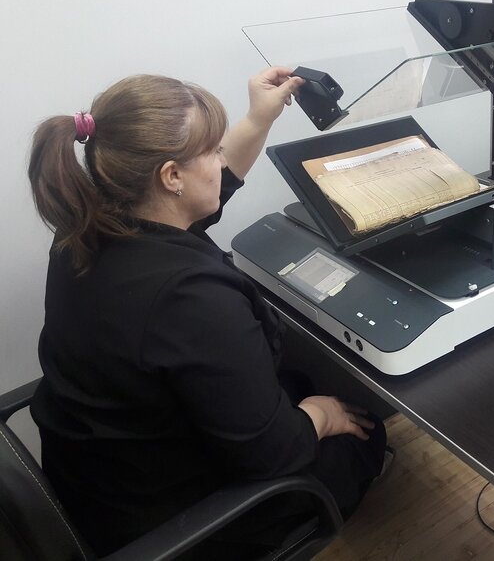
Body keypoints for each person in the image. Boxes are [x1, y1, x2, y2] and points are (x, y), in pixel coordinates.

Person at [27, 68, 387, 557]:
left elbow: (214, 189)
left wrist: (259, 119)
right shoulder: (189, 300)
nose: (222, 161)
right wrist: (322, 416)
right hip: (175, 521)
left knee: (299, 384)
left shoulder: (87, 227)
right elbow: (275, 454)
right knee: (362, 432)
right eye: (213, 152)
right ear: (171, 177)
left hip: (101, 479)